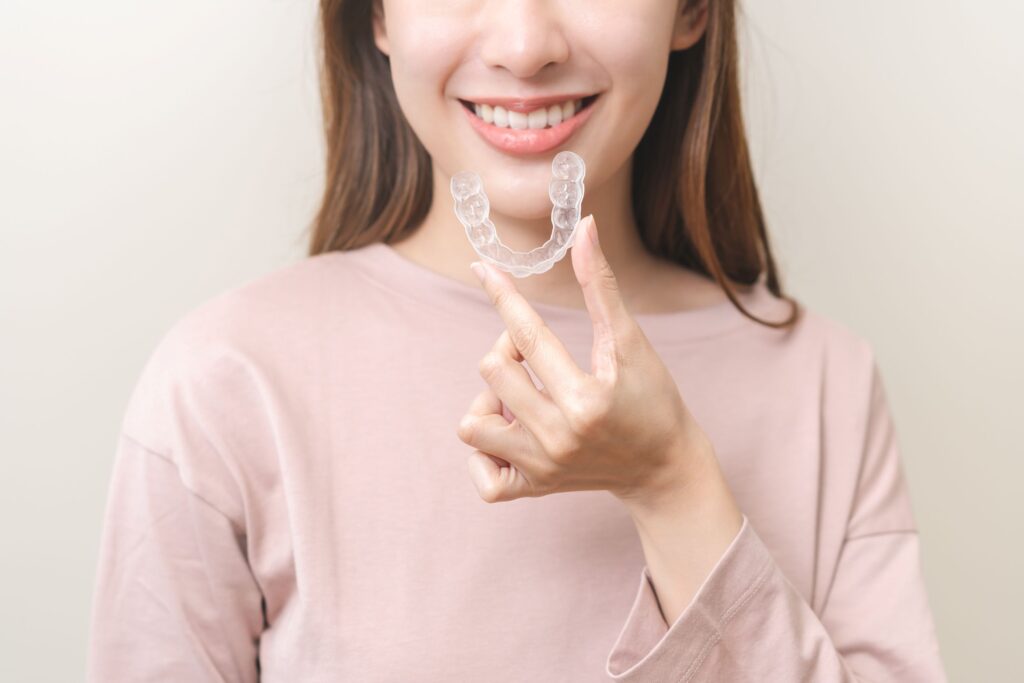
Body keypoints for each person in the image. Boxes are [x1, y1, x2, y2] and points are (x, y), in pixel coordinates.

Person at [86, 0, 948, 680]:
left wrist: (673, 483)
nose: (526, 42)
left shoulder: (825, 381)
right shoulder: (226, 380)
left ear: (692, 10)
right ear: (376, 15)